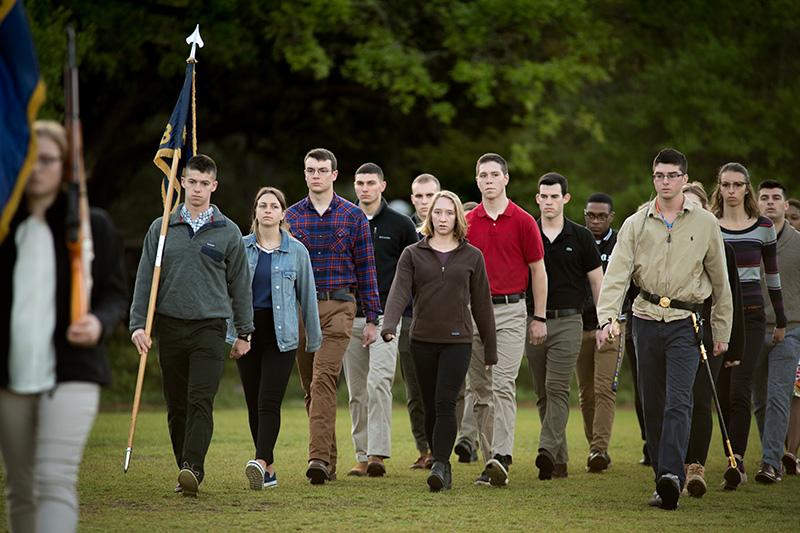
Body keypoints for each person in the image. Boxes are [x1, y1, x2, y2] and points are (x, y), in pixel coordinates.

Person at [0, 120, 127, 532]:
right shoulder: (6, 226)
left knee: (53, 480)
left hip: (73, 372)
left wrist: (98, 322)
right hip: (11, 375)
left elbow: (114, 294)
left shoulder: (93, 226)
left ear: (66, 166)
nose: (37, 168)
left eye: (48, 160)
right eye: (29, 159)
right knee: (19, 489)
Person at [597, 148, 732, 510]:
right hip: (644, 319)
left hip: (685, 323)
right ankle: (663, 477)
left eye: (673, 175)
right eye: (660, 175)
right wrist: (607, 318)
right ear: (653, 178)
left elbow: (720, 282)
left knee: (679, 401)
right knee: (652, 404)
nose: (666, 181)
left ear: (685, 180)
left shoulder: (705, 224)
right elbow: (617, 276)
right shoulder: (636, 223)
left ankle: (672, 474)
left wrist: (721, 331)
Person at [130, 154, 254, 497]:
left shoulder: (228, 231)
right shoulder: (162, 228)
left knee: (201, 400)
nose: (197, 189)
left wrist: (244, 332)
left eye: (204, 183)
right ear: (181, 182)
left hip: (210, 329)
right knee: (178, 405)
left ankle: (193, 468)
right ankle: (183, 464)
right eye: (192, 182)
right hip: (169, 327)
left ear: (214, 186)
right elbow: (144, 281)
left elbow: (240, 285)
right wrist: (139, 325)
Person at [381, 190, 496, 492]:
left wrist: (490, 347)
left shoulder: (472, 256)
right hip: (421, 340)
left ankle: (441, 464)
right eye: (437, 213)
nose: (442, 219)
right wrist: (390, 324)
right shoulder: (412, 254)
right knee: (430, 405)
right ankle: (439, 459)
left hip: (458, 341)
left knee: (445, 402)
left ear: (457, 217)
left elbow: (483, 304)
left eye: (448, 213)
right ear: (428, 216)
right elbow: (399, 291)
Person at [285, 148, 381, 485]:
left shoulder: (353, 216)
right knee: (311, 390)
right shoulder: (291, 217)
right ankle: (330, 461)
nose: (315, 175)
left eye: (322, 170)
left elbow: (366, 269)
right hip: (301, 309)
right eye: (310, 170)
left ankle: (316, 459)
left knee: (323, 380)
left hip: (340, 307)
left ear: (334, 175)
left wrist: (372, 318)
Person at [460, 153, 547, 487]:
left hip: (511, 310)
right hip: (472, 312)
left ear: (505, 179)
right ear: (477, 180)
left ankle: (502, 454)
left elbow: (538, 271)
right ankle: (490, 462)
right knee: (479, 389)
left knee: (502, 383)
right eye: (483, 175)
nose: (489, 180)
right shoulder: (467, 222)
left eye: (495, 174)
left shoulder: (523, 220)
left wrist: (538, 316)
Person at [226, 186, 322, 490]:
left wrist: (314, 341)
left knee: (269, 400)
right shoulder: (240, 248)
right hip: (248, 333)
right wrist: (233, 336)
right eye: (262, 205)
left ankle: (260, 460)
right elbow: (228, 294)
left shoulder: (297, 251)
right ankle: (267, 469)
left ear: (283, 213)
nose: (268, 210)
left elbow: (307, 297)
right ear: (255, 211)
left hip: (283, 336)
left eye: (274, 206)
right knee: (254, 402)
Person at [710, 162, 786, 490]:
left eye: (737, 185)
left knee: (741, 386)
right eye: (725, 184)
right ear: (719, 188)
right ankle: (730, 451)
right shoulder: (709, 225)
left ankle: (736, 461)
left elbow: (772, 276)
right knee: (722, 390)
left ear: (746, 188)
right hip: (719, 316)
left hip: (753, 316)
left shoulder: (764, 227)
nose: (731, 191)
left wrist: (780, 318)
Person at [343, 163, 418, 477]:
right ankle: (362, 455)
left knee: (379, 383)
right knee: (357, 390)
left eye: (370, 183)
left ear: (382, 186)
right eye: (359, 183)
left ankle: (377, 454)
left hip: (387, 316)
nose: (364, 188)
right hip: (352, 316)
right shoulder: (345, 221)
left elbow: (415, 271)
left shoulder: (400, 225)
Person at [526, 173, 603, 482]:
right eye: (543, 197)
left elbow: (597, 281)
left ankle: (545, 449)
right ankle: (558, 460)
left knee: (558, 387)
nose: (548, 202)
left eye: (554, 196)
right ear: (538, 199)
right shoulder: (527, 232)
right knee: (543, 393)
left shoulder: (581, 236)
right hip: (533, 320)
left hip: (571, 321)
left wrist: (602, 321)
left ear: (565, 199)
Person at [681, 182, 744, 498]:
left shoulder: (724, 248)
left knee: (701, 400)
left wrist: (734, 344)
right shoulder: (670, 247)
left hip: (709, 334)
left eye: (695, 206)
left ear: (706, 211)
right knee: (678, 401)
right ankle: (674, 465)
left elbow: (730, 299)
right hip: (675, 331)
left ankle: (696, 467)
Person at [752, 179, 800, 483]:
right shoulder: (749, 240)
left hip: (791, 329)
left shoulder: (798, 243)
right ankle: (774, 451)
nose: (770, 202)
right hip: (754, 328)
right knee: (759, 399)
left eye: (776, 198)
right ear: (757, 203)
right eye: (765, 197)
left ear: (786, 204)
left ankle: (770, 463)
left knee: (779, 395)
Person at [575, 192, 624, 472]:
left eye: (601, 216)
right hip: (580, 324)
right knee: (586, 391)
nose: (595, 220)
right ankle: (593, 443)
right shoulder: (578, 240)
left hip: (613, 323)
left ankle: (599, 449)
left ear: (611, 217)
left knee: (605, 387)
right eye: (590, 215)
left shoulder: (620, 242)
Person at [405, 173, 441, 468]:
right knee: (415, 389)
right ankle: (425, 448)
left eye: (430, 195)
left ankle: (453, 442)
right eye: (419, 196)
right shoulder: (408, 234)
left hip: (450, 322)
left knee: (450, 389)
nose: (424, 201)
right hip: (412, 321)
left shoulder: (456, 234)